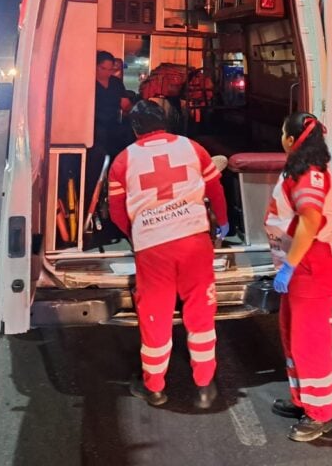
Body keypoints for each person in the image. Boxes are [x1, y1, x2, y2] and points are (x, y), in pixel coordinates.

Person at [107, 100, 229, 410]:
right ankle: (204, 384)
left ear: (134, 128)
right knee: (201, 314)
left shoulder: (123, 160)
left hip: (153, 247)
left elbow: (117, 211)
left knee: (156, 317)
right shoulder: (193, 147)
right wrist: (223, 224)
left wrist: (136, 234)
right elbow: (215, 188)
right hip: (194, 241)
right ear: (166, 121)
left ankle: (155, 388)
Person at [264, 112, 332, 443]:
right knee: (291, 335)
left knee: (309, 343)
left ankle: (320, 414)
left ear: (289, 139)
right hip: (302, 266)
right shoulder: (301, 168)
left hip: (313, 267)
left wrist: (290, 266)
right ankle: (304, 400)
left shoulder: (308, 176)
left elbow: (310, 221)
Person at [86, 51, 134, 203]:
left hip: (114, 127)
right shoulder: (87, 82)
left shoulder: (115, 83)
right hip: (93, 128)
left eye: (110, 69)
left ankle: (115, 195)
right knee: (95, 165)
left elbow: (125, 103)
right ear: (94, 66)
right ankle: (91, 197)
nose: (106, 73)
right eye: (102, 68)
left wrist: (128, 107)